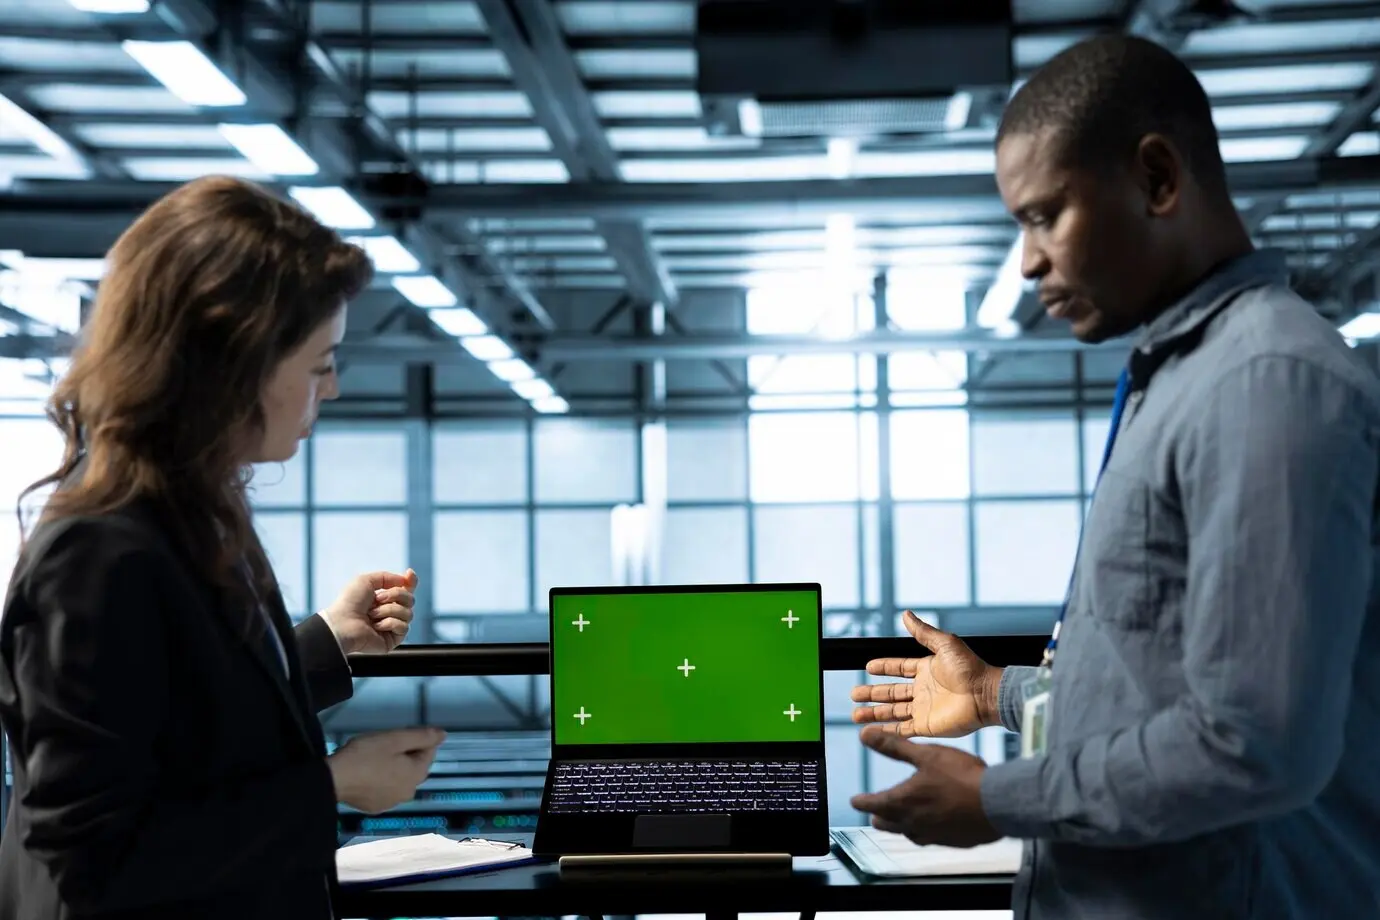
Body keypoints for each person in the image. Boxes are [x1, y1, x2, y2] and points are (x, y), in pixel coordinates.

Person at [850, 34, 1380, 919]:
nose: (1025, 263)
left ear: (1158, 180)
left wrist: (993, 800)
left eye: (1043, 215)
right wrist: (995, 692)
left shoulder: (1265, 386)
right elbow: (1159, 679)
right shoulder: (1179, 381)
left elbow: (1252, 745)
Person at [0, 175, 446, 919]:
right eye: (319, 364)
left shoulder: (187, 508)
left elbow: (180, 713)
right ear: (231, 368)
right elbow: (91, 855)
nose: (330, 390)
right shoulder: (100, 552)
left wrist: (326, 647)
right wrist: (333, 785)